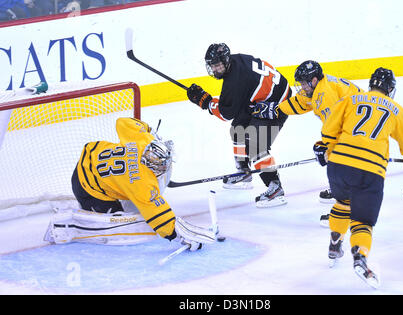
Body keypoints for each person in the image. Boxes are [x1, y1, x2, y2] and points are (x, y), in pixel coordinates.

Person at [317, 67, 403, 288]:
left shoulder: (350, 99)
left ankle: (334, 244)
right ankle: (360, 257)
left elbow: (329, 128)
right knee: (363, 221)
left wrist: (324, 146)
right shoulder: (397, 110)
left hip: (338, 165)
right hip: (370, 171)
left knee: (342, 202)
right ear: (391, 89)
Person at [44, 117, 215, 250]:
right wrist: (177, 235)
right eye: (160, 167)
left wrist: (149, 130)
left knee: (132, 205)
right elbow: (159, 216)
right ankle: (65, 226)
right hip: (88, 188)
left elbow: (123, 122)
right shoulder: (142, 182)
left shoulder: (143, 140)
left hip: (90, 158)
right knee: (120, 224)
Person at [186, 43, 291, 208]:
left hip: (277, 104)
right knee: (238, 129)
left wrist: (204, 101)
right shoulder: (235, 63)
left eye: (218, 65)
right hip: (264, 98)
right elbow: (234, 105)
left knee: (255, 144)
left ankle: (275, 186)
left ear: (226, 61)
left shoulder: (235, 80)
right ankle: (244, 172)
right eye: (213, 66)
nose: (215, 69)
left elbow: (226, 113)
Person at [252, 60, 363, 206]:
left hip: (359, 126)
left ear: (314, 79)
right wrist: (277, 109)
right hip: (355, 120)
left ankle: (345, 188)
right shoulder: (317, 88)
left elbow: (335, 129)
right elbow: (301, 102)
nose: (302, 87)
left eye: (304, 83)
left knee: (338, 151)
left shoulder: (325, 95)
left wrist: (327, 149)